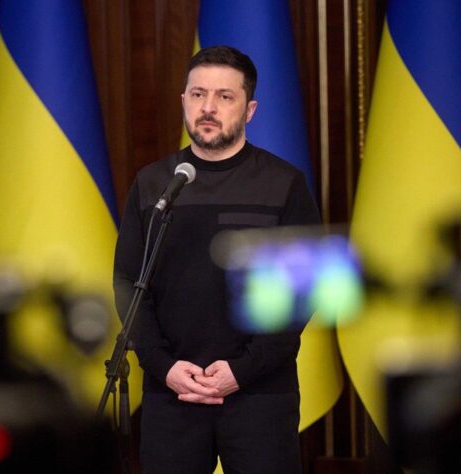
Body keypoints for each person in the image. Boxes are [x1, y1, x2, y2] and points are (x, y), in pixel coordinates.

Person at [113, 45, 320, 473]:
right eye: (198, 94)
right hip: (171, 392)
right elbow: (128, 283)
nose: (208, 107)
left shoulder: (284, 183)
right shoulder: (154, 184)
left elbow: (300, 294)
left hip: (260, 396)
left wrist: (242, 370)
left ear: (250, 110)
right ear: (183, 101)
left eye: (225, 96)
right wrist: (164, 366)